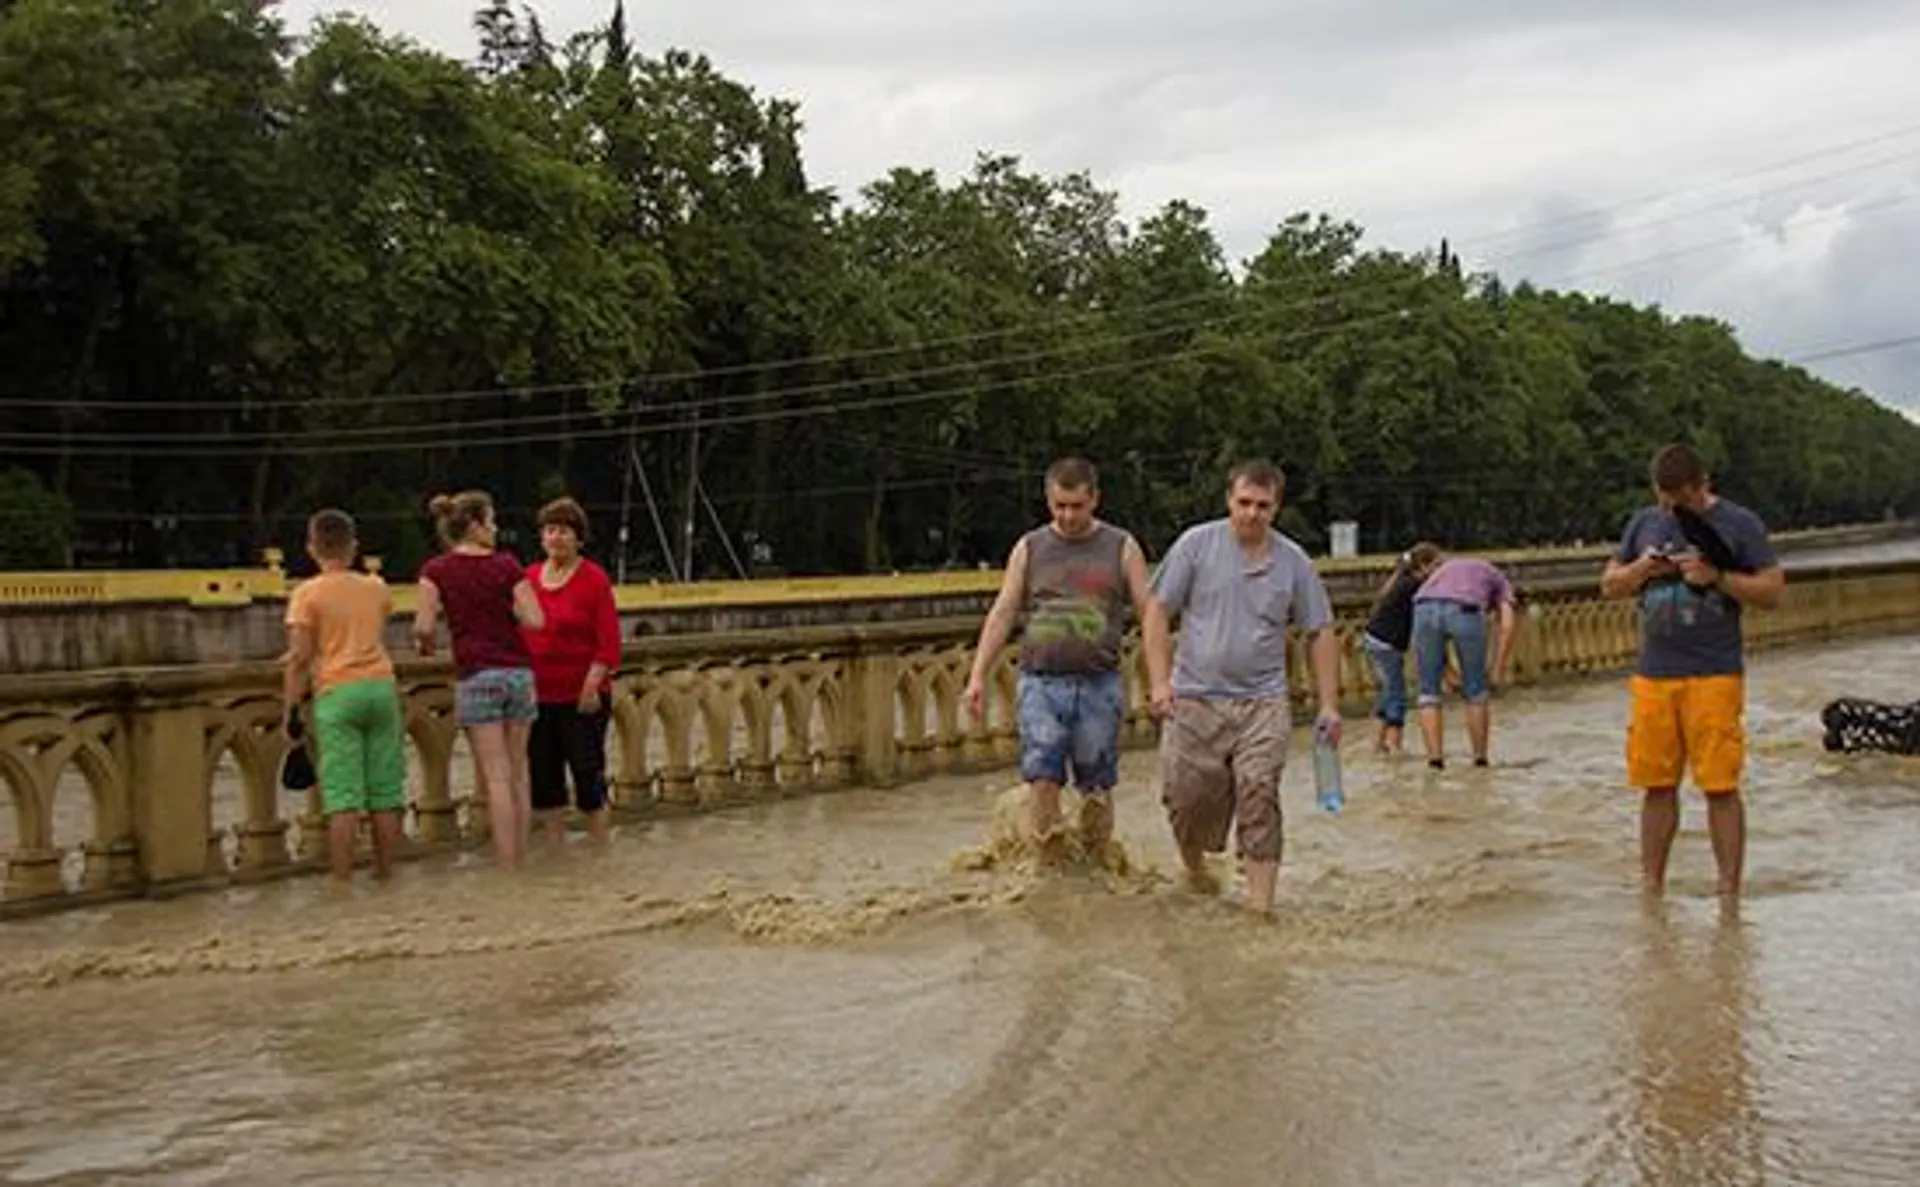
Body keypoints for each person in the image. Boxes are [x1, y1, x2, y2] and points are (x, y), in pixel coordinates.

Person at [1142, 460, 1342, 914]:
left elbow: (1320, 630)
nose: (1252, 514)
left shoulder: (1293, 562)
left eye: (1263, 506)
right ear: (1229, 500)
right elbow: (1157, 609)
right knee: (1185, 799)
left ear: (1277, 507)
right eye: (1244, 503)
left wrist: (1329, 705)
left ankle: (1260, 908)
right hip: (1194, 697)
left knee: (1259, 792)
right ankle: (1195, 869)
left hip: (1263, 701)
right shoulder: (1196, 545)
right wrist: (1158, 682)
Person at [1600, 444, 1783, 898]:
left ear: (1703, 485)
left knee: (1720, 785)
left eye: (1679, 500)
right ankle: (1651, 887)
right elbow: (1609, 585)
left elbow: (1772, 591)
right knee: (1655, 786)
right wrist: (1642, 569)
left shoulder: (1741, 524)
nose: (1670, 509)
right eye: (1664, 499)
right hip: (1653, 674)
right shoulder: (1642, 524)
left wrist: (1716, 577)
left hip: (1714, 673)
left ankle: (1728, 892)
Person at [963, 456, 1165, 853]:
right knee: (1042, 775)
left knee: (1096, 785)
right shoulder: (1030, 547)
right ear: (1048, 501)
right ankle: (1046, 866)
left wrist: (1160, 681)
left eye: (1077, 506)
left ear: (1095, 500)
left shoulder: (1122, 547)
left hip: (1099, 682)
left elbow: (1150, 611)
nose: (1069, 516)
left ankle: (1099, 861)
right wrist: (977, 675)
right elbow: (1004, 610)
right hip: (1041, 681)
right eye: (1060, 506)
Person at [412, 490, 546, 871]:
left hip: (476, 674)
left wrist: (427, 643)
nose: (496, 528)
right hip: (518, 672)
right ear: (475, 524)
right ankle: (523, 857)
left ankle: (506, 865)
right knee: (519, 773)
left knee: (496, 777)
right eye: (492, 521)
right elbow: (535, 619)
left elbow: (423, 625)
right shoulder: (507, 566)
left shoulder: (435, 571)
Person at [279, 508, 407, 882]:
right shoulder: (376, 587)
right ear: (353, 547)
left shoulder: (306, 594)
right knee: (385, 790)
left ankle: (342, 881)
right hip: (382, 686)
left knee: (342, 796)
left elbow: (300, 658)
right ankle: (386, 875)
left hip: (337, 690)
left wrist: (290, 709)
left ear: (312, 548)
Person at [524, 496, 622, 845]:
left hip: (583, 696)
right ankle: (555, 851)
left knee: (587, 775)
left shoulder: (594, 579)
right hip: (538, 697)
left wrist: (592, 684)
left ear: (578, 538)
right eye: (550, 530)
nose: (556, 538)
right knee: (545, 780)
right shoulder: (529, 578)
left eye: (564, 531)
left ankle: (599, 846)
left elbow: (608, 642)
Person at [1410, 551, 1521, 769]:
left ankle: (1435, 761)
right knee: (1475, 692)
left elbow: (1439, 609)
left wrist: (1448, 671)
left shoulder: (1447, 570)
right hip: (1465, 608)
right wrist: (1498, 668)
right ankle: (1479, 760)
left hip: (1422, 606)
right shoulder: (1501, 582)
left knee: (1428, 692)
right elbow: (1507, 626)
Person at [1360, 541, 1443, 755]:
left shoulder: (1404, 581)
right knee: (1396, 694)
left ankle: (1377, 743)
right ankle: (1393, 745)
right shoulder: (1414, 586)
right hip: (1386, 643)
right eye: (1436, 565)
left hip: (1376, 639)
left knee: (1389, 692)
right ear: (1423, 566)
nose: (1439, 571)